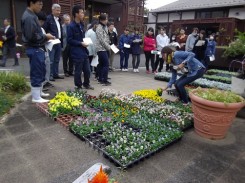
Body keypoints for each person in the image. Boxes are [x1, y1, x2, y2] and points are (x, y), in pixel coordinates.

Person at [21, 0, 55, 103]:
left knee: (40, 71)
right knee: (36, 71)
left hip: (37, 48)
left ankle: (38, 93)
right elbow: (32, 36)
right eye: (39, 4)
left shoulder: (32, 15)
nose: (41, 6)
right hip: (35, 48)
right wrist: (46, 36)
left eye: (42, 4)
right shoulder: (29, 17)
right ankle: (36, 97)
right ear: (31, 3)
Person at [67, 5, 94, 90]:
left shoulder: (82, 24)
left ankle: (86, 84)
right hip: (76, 51)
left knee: (87, 70)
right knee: (78, 71)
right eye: (81, 12)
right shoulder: (71, 26)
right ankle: (78, 86)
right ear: (76, 14)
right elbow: (69, 40)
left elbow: (82, 37)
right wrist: (80, 43)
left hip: (84, 51)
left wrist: (86, 41)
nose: (83, 14)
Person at [43, 3, 63, 81]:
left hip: (58, 41)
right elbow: (44, 30)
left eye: (59, 10)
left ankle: (55, 74)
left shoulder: (59, 20)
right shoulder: (48, 19)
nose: (59, 12)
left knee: (57, 59)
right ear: (53, 10)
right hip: (51, 42)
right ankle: (50, 75)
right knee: (51, 60)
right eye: (57, 10)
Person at [95, 13, 111, 86]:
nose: (107, 21)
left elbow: (106, 38)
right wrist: (108, 47)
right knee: (106, 64)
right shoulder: (99, 28)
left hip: (104, 48)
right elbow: (101, 40)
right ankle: (104, 80)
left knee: (101, 64)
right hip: (101, 49)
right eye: (106, 19)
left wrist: (109, 43)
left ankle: (100, 79)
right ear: (102, 20)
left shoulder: (105, 27)